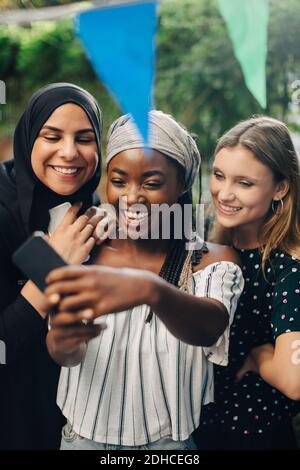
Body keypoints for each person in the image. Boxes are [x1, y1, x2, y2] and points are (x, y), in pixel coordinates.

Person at [45, 110, 244, 451]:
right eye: (119, 180)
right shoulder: (84, 248)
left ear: (182, 184)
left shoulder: (208, 260)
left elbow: (209, 327)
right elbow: (64, 353)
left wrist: (151, 290)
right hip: (82, 439)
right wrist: (62, 341)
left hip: (168, 447)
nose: (132, 198)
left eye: (151, 183)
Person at [0, 83, 104, 449]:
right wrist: (50, 267)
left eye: (85, 138)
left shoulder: (93, 211)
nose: (69, 152)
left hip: (82, 426)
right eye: (52, 136)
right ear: (29, 139)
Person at [194, 116, 300, 450]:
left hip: (253, 438)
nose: (224, 193)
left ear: (280, 188)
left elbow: (294, 380)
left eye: (245, 183)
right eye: (219, 175)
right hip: (196, 432)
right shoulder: (205, 244)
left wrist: (258, 356)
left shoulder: (286, 268)